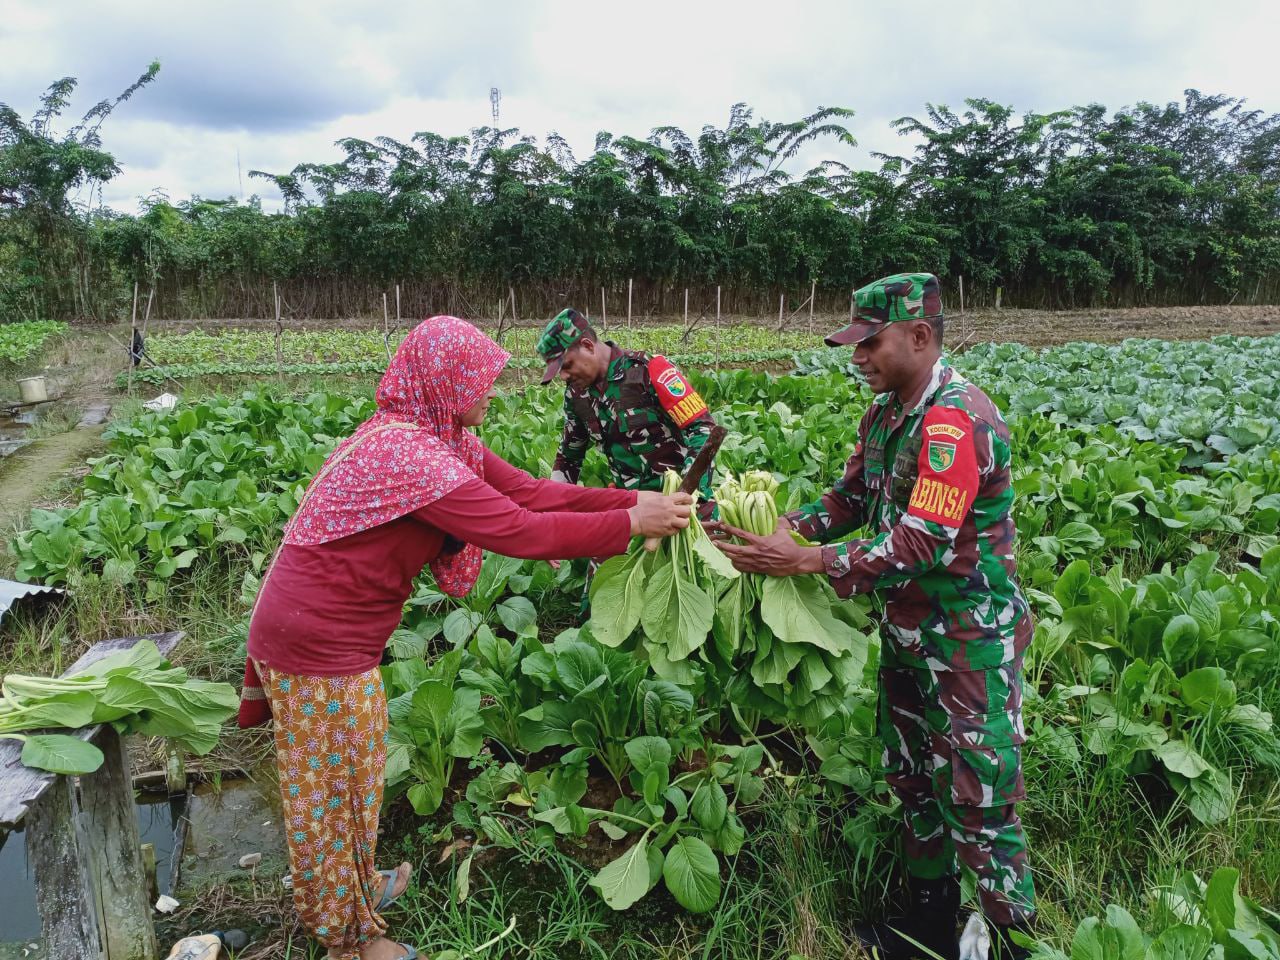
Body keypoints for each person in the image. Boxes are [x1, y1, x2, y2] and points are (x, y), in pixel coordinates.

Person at [239, 316, 691, 960]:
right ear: (444, 381)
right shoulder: (410, 457)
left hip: (334, 634)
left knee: (354, 778)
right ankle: (347, 940)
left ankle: (355, 889)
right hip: (316, 641)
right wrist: (629, 520)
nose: (492, 390)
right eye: (479, 379)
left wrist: (633, 500)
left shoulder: (441, 439)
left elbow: (536, 495)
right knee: (331, 790)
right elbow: (518, 531)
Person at [711, 274, 1035, 960]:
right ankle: (928, 928)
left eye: (869, 343)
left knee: (978, 794)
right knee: (914, 778)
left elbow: (925, 539)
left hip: (967, 640)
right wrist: (779, 531)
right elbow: (849, 501)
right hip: (908, 633)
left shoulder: (956, 419)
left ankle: (1013, 940)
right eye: (853, 344)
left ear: (920, 337)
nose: (856, 357)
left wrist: (805, 563)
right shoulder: (888, 415)